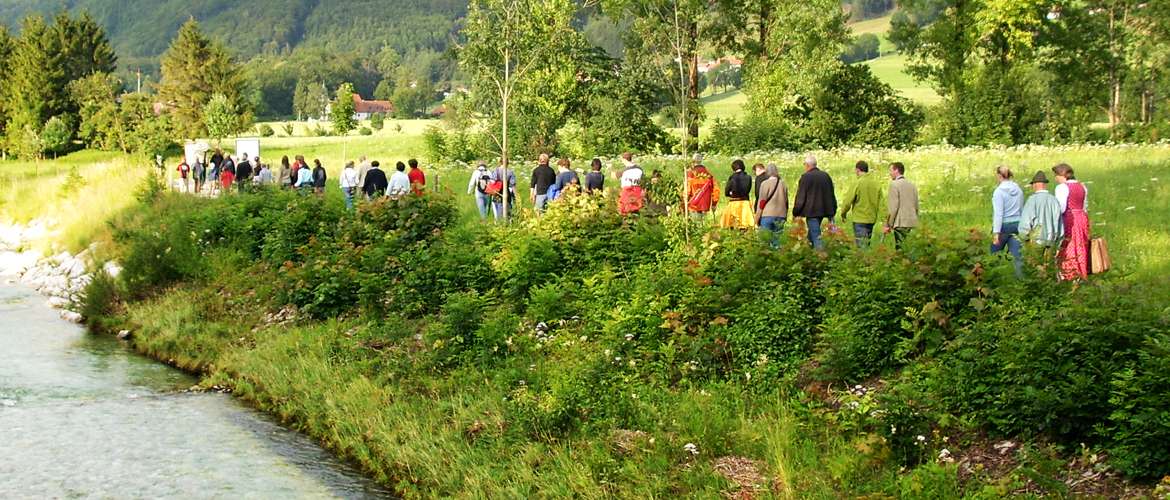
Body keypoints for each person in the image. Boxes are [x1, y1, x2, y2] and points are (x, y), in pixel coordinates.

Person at [1053, 163, 1091, 280]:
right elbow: (1084, 206)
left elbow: (1061, 207)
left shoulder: (1062, 188)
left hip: (1070, 219)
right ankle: (1081, 273)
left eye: (1056, 175)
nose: (1055, 178)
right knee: (1081, 245)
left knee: (1068, 245)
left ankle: (1069, 274)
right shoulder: (1082, 186)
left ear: (1062, 175)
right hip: (1082, 218)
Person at [792, 155, 838, 250]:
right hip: (825, 210)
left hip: (811, 212)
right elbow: (831, 194)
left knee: (816, 236)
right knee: (812, 235)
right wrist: (833, 209)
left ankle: (820, 257)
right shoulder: (825, 176)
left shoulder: (806, 177)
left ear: (807, 165)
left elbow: (800, 197)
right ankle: (809, 254)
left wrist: (795, 212)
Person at [840, 160, 884, 248]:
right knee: (866, 243)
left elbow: (848, 201)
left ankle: (864, 261)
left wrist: (843, 213)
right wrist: (885, 219)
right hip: (871, 219)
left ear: (857, 170)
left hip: (859, 219)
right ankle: (867, 259)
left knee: (862, 247)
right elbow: (882, 204)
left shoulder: (857, 183)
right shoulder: (876, 184)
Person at [991, 166, 1025, 277]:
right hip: (1017, 224)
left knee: (993, 254)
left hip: (1004, 226)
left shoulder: (998, 192)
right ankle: (1021, 281)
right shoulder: (1018, 190)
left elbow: (998, 213)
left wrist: (996, 232)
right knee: (1018, 256)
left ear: (999, 176)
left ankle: (993, 278)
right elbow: (1021, 208)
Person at [1018, 170, 1063, 250]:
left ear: (1035, 185)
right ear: (1045, 185)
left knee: (1036, 262)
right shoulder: (1054, 200)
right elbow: (1060, 226)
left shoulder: (1032, 200)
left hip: (1035, 242)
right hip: (1052, 243)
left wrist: (1025, 238)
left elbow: (1025, 224)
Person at [882, 162, 919, 251]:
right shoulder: (912, 185)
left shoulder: (894, 185)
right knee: (908, 247)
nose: (890, 173)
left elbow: (893, 208)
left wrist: (888, 224)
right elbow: (916, 205)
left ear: (896, 170)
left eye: (891, 170)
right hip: (912, 222)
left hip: (900, 222)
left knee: (900, 247)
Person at [755, 163, 788, 248]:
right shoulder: (783, 184)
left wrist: (757, 217)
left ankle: (766, 259)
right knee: (777, 241)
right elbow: (786, 201)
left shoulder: (764, 184)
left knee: (765, 241)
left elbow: (762, 202)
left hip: (767, 215)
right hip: (781, 215)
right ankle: (777, 258)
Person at [720, 160, 756, 229]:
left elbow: (726, 192)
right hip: (745, 203)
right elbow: (748, 189)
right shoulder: (748, 177)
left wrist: (731, 193)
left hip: (734, 203)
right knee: (744, 224)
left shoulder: (732, 177)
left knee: (732, 224)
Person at [685, 155, 719, 219]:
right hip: (705, 205)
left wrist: (684, 202)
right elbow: (716, 190)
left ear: (693, 161)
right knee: (703, 224)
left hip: (693, 204)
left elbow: (687, 191)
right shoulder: (709, 174)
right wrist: (714, 204)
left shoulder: (690, 174)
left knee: (695, 223)